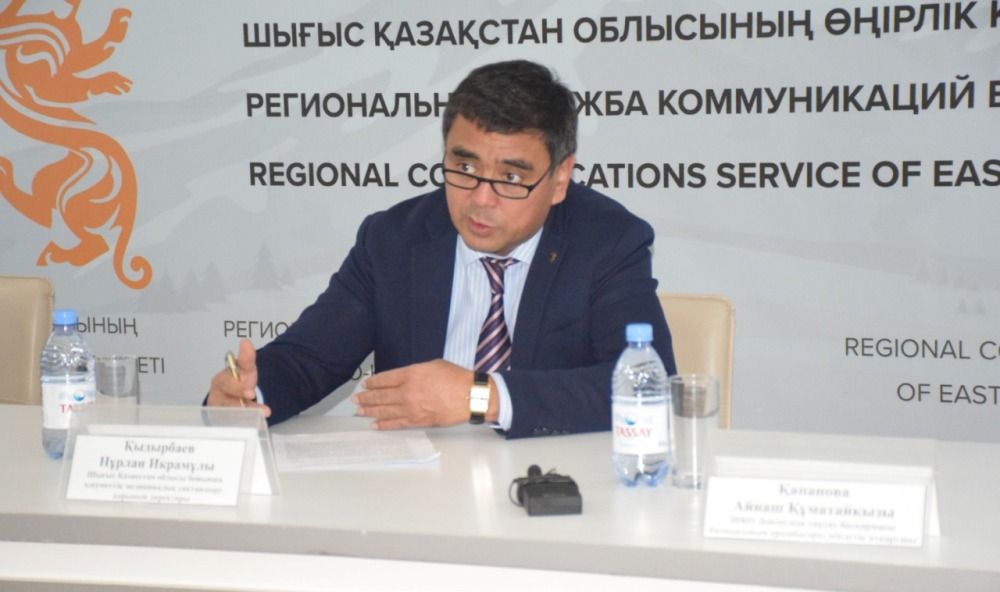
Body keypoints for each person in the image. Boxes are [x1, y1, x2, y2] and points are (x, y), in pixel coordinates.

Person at [207, 59, 675, 438]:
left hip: (550, 487)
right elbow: (308, 358)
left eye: (511, 177)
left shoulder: (608, 242)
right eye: (464, 167)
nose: (481, 199)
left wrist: (482, 397)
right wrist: (245, 396)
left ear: (559, 179)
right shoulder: (394, 239)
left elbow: (645, 385)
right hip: (417, 492)